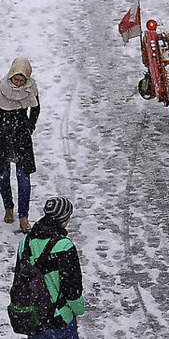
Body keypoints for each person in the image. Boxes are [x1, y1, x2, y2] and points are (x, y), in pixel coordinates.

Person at [13, 196, 85, 338]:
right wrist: (78, 309)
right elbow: (72, 290)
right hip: (60, 319)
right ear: (63, 220)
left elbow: (19, 280)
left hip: (34, 318)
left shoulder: (25, 242)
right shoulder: (64, 246)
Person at [0, 57, 40, 232]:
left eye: (21, 79)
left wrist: (30, 126)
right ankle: (9, 207)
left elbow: (36, 108)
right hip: (2, 136)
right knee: (3, 176)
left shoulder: (31, 89)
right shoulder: (1, 88)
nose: (17, 82)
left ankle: (24, 215)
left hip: (22, 138)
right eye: (15, 79)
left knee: (23, 178)